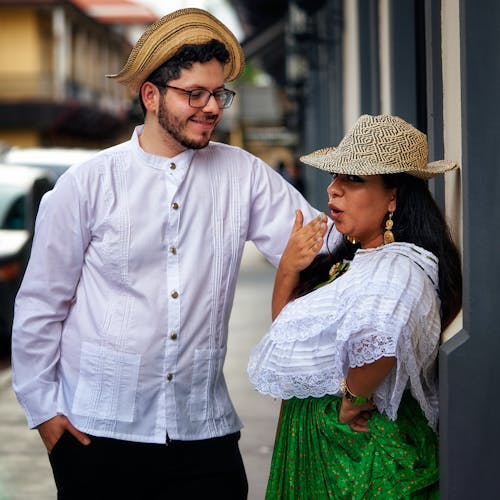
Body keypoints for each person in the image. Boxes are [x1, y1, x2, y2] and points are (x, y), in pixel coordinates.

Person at [11, 8, 330, 500]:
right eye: (193, 94)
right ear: (151, 94)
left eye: (218, 94)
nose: (211, 107)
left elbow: (320, 243)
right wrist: (46, 416)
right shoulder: (86, 186)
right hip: (97, 433)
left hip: (203, 429)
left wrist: (392, 241)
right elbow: (40, 306)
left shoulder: (243, 175)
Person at [248, 114, 463, 499]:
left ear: (394, 196)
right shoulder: (354, 261)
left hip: (355, 456)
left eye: (353, 180)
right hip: (328, 448)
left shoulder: (398, 265)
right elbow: (288, 337)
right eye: (335, 178)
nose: (332, 191)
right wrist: (287, 271)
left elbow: (383, 335)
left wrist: (353, 400)